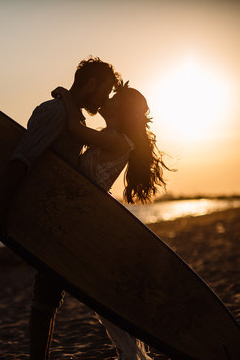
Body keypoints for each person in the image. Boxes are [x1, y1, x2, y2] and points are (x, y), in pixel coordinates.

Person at [0, 56, 120, 359]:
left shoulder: (75, 117)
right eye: (106, 90)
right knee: (44, 296)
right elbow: (22, 159)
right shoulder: (56, 112)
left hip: (63, 221)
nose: (106, 98)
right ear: (91, 83)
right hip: (46, 218)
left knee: (49, 295)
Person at [54, 81, 170, 359]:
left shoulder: (120, 142)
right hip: (85, 218)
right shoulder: (112, 134)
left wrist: (66, 97)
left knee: (103, 296)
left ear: (122, 110)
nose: (107, 100)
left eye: (114, 99)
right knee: (102, 296)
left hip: (92, 222)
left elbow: (74, 130)